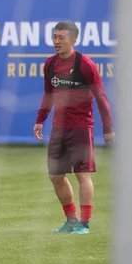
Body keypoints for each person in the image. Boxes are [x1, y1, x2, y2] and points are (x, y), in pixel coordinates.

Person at [33, 21, 115, 235]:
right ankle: (71, 220)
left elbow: (101, 96)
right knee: (55, 176)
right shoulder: (50, 64)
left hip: (80, 128)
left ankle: (84, 224)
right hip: (58, 129)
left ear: (73, 40)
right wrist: (40, 119)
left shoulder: (84, 64)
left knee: (82, 174)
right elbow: (48, 95)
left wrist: (108, 127)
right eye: (54, 37)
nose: (56, 41)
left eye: (61, 37)